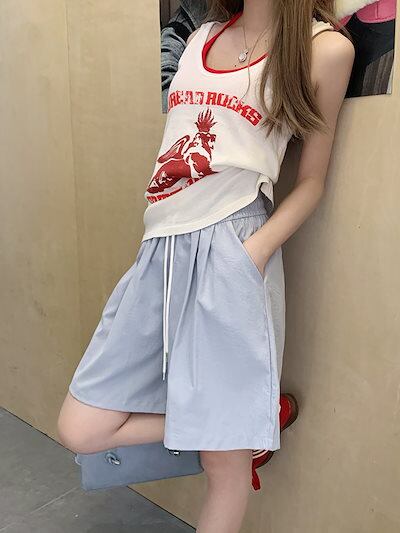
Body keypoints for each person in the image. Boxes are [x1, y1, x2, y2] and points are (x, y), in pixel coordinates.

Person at [57, 1, 355, 531]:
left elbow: (311, 181)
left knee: (225, 466)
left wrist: (251, 255)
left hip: (233, 244)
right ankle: (251, 419)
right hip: (161, 250)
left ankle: (239, 430)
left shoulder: (324, 49)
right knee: (82, 428)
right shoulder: (200, 37)